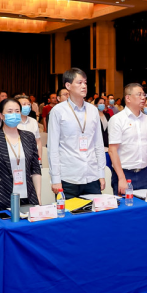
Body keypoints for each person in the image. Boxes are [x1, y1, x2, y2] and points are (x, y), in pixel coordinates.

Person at [48, 68, 105, 198]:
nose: (84, 86)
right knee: (69, 211)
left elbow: (98, 144)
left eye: (85, 82)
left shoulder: (93, 110)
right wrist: (55, 178)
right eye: (79, 82)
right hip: (69, 177)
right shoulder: (58, 111)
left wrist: (101, 173)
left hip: (92, 176)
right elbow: (53, 148)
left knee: (94, 210)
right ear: (68, 86)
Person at [0, 98, 42, 212]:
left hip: (28, 196)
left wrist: (38, 196)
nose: (14, 114)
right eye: (10, 111)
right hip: (2, 196)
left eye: (17, 111)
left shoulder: (29, 137)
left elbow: (35, 170)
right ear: (1, 115)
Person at [108, 83, 147, 194]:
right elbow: (112, 151)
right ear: (128, 98)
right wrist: (121, 178)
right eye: (139, 94)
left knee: (143, 204)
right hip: (124, 173)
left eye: (144, 94)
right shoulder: (117, 119)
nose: (143, 97)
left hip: (144, 173)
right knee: (125, 205)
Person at [16, 94, 42, 160]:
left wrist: (39, 158)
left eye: (28, 104)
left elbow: (38, 141)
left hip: (32, 157)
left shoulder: (33, 121)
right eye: (24, 104)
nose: (27, 106)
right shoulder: (12, 122)